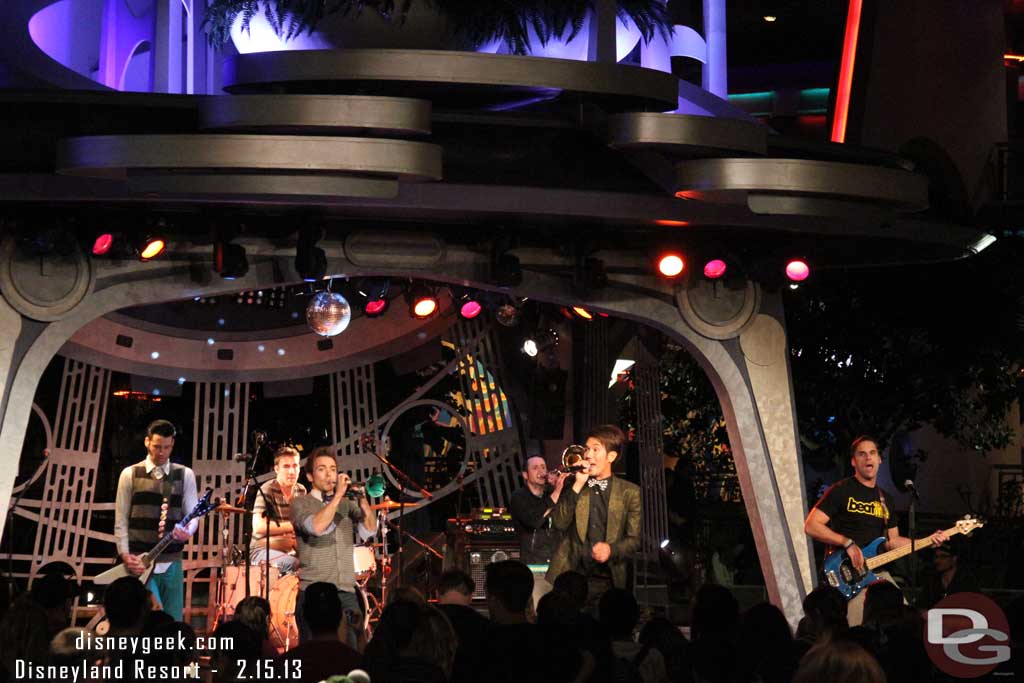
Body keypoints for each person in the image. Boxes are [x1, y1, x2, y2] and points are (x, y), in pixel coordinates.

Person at [803, 435, 947, 626]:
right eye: (862, 454)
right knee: (856, 633)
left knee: (906, 623)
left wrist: (928, 541)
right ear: (854, 461)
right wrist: (847, 543)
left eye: (872, 453)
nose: (868, 458)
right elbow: (811, 525)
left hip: (877, 572)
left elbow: (892, 542)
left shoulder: (885, 499)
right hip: (848, 573)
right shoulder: (842, 490)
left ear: (879, 459)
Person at [546, 425, 642, 610]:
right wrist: (578, 484)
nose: (588, 455)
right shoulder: (574, 485)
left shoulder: (630, 492)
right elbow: (558, 523)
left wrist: (611, 549)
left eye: (595, 449)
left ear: (611, 457)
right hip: (573, 574)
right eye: (587, 449)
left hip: (610, 578)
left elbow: (634, 540)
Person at [289, 446, 376, 647]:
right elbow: (317, 527)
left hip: (346, 592)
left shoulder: (346, 504)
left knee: (351, 652)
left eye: (333, 469)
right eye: (322, 469)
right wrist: (337, 497)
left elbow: (369, 531)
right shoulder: (300, 503)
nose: (329, 474)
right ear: (310, 476)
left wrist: (362, 499)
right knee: (314, 655)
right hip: (313, 593)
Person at [113, 419, 199, 621]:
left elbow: (194, 514)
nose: (162, 452)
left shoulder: (184, 474)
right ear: (147, 442)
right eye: (157, 447)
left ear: (173, 444)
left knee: (173, 621)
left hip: (171, 561)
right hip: (140, 562)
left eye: (167, 447)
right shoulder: (130, 474)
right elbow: (121, 520)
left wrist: (188, 531)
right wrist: (125, 555)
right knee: (145, 619)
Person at [510, 454, 569, 610]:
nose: (541, 471)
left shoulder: (553, 494)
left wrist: (560, 488)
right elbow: (534, 520)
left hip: (558, 568)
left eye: (543, 467)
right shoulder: (519, 497)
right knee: (538, 613)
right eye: (535, 468)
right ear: (525, 475)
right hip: (534, 569)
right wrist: (556, 493)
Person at [275, 581, 361, 683]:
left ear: (304, 617)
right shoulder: (357, 665)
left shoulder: (286, 665)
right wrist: (360, 635)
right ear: (340, 615)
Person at [251, 445, 306, 574]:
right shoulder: (268, 489)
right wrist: (293, 525)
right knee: (293, 564)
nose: (292, 471)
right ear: (276, 469)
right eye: (286, 467)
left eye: (295, 466)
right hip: (261, 550)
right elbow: (259, 526)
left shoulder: (301, 490)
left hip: (289, 549)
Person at [917, 538, 978, 608]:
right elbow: (921, 605)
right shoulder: (932, 579)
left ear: (954, 559)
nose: (937, 560)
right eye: (936, 557)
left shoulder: (966, 580)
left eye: (943, 556)